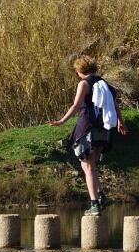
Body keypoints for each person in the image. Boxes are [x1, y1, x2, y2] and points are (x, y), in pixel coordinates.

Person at [47, 55, 128, 214]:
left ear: (79, 70)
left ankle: (94, 203)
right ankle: (101, 196)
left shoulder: (84, 83)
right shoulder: (105, 84)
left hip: (88, 127)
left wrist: (62, 121)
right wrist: (120, 122)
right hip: (104, 129)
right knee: (90, 165)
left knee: (87, 165)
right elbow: (115, 105)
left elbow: (76, 105)